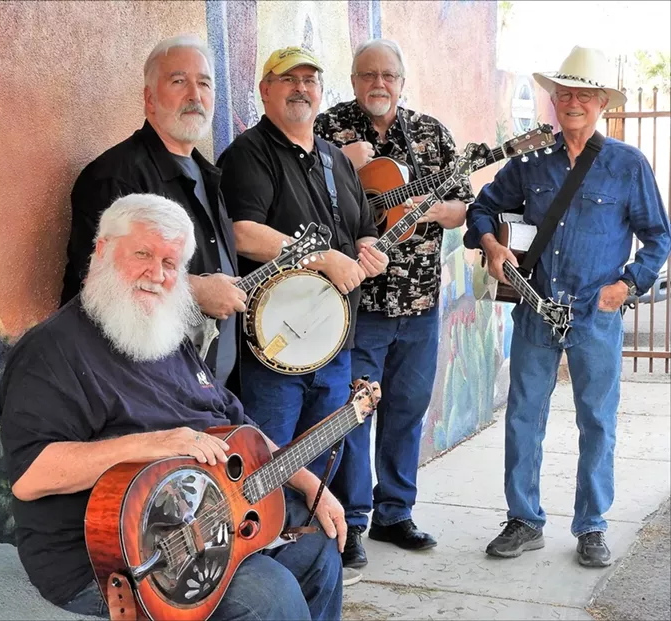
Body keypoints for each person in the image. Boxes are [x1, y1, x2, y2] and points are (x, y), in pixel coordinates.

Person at [0, 194, 345, 620]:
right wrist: (154, 444)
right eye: (143, 254)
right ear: (102, 250)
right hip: (109, 556)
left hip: (208, 517)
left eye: (170, 263)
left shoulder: (164, 334)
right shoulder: (50, 351)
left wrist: (310, 484)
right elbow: (31, 477)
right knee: (269, 595)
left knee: (318, 545)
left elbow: (236, 425)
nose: (157, 274)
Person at [464, 46, 671, 567]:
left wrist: (627, 285)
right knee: (523, 417)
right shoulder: (531, 161)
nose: (573, 102)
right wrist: (491, 245)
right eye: (564, 93)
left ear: (601, 103)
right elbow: (481, 208)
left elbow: (658, 238)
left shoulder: (628, 165)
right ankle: (523, 519)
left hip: (595, 317)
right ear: (554, 101)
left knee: (596, 421)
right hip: (536, 310)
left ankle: (592, 525)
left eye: (584, 94)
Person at [313, 39, 472, 569]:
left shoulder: (431, 134)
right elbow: (308, 196)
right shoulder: (328, 130)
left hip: (420, 300)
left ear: (402, 81)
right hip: (358, 305)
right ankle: (352, 521)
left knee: (406, 409)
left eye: (388, 75)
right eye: (367, 74)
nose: (378, 83)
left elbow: (462, 207)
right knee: (353, 414)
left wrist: (426, 212)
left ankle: (395, 512)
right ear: (353, 80)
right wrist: (346, 164)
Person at [218, 48, 388, 510]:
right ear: (265, 90)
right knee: (267, 466)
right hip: (275, 349)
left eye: (310, 80)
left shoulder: (335, 159)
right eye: (288, 79)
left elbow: (363, 227)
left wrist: (369, 250)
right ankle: (267, 545)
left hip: (334, 344)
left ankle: (314, 543)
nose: (301, 88)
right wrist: (324, 257)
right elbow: (241, 232)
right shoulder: (249, 154)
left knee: (322, 465)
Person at [61, 34, 246, 386]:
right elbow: (94, 280)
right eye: (178, 81)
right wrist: (195, 292)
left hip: (207, 390)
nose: (194, 95)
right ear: (149, 99)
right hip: (143, 391)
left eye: (204, 83)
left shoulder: (208, 175)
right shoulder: (114, 177)